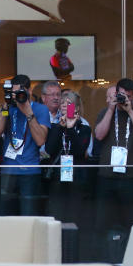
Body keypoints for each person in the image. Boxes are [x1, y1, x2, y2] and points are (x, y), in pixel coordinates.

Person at [94, 77, 133, 259]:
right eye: (120, 95)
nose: (122, 99)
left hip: (131, 177)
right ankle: (102, 257)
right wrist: (111, 108)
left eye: (127, 96)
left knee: (132, 222)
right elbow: (99, 135)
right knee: (103, 221)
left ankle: (132, 258)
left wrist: (130, 111)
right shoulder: (106, 112)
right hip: (107, 176)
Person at [0, 74, 50, 216]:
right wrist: (6, 105)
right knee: (5, 215)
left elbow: (40, 140)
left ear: (29, 91)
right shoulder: (8, 109)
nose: (18, 95)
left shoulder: (41, 110)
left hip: (29, 172)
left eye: (20, 92)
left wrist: (28, 112)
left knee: (28, 215)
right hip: (8, 170)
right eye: (14, 92)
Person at [44, 92, 95, 242]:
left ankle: (73, 249)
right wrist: (61, 127)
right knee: (56, 215)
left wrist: (71, 128)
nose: (65, 107)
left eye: (69, 104)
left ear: (77, 108)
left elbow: (80, 151)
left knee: (74, 216)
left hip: (77, 178)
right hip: (58, 178)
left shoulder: (84, 128)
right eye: (62, 104)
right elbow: (49, 149)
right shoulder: (55, 126)